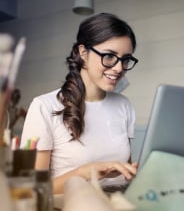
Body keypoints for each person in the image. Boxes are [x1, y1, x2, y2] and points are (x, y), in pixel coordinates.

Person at [20, 12, 139, 194]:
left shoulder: (124, 105)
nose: (119, 68)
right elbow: (33, 189)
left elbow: (126, 172)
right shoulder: (44, 107)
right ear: (84, 53)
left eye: (126, 59)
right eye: (109, 56)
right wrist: (85, 173)